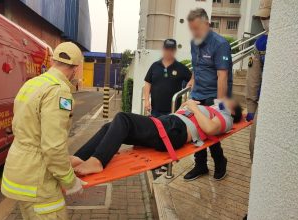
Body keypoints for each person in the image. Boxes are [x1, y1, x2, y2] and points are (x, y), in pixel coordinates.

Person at [1, 42, 85, 220]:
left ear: (54, 61)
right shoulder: (58, 92)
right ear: (75, 69)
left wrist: (67, 160)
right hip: (38, 180)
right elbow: (53, 147)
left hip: (19, 171)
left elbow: (31, 131)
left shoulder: (32, 83)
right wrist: (70, 182)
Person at [71, 99, 243, 175]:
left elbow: (210, 128)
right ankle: (79, 157)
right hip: (169, 125)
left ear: (232, 110)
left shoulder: (225, 117)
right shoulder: (217, 107)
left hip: (174, 130)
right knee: (111, 126)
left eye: (228, 101)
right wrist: (189, 107)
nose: (222, 99)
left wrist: (193, 107)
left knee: (123, 118)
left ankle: (98, 161)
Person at [184, 8, 233, 181]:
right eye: (192, 29)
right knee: (195, 128)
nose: (195, 32)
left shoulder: (220, 44)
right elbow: (196, 66)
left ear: (207, 24)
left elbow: (222, 76)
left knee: (210, 132)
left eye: (197, 28)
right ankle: (201, 165)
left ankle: (220, 162)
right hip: (198, 93)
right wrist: (192, 80)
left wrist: (219, 106)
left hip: (214, 94)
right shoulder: (194, 42)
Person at [246, 0, 272, 161]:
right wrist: (251, 106)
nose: (265, 21)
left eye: (268, 17)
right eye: (262, 18)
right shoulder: (260, 43)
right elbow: (253, 78)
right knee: (254, 144)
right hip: (262, 101)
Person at [144, 39, 192, 117]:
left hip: (173, 111)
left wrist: (189, 87)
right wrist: (146, 101)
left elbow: (192, 78)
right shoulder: (155, 66)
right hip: (155, 111)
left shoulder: (180, 67)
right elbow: (148, 82)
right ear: (163, 49)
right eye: (167, 49)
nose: (169, 52)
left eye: (171, 49)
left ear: (175, 50)